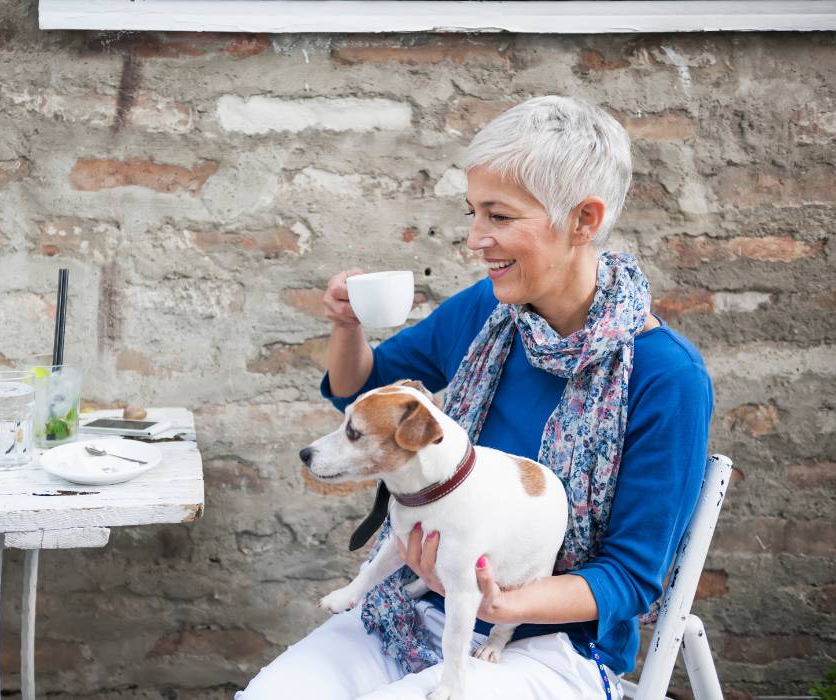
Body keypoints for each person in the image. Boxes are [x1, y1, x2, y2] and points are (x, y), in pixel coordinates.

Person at [237, 95, 714, 700]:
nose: (474, 239)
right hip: (415, 606)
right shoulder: (488, 312)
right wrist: (345, 324)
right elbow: (360, 393)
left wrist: (503, 597)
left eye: (499, 216)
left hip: (552, 647)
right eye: (474, 213)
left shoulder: (666, 377)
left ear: (583, 221)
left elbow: (631, 578)